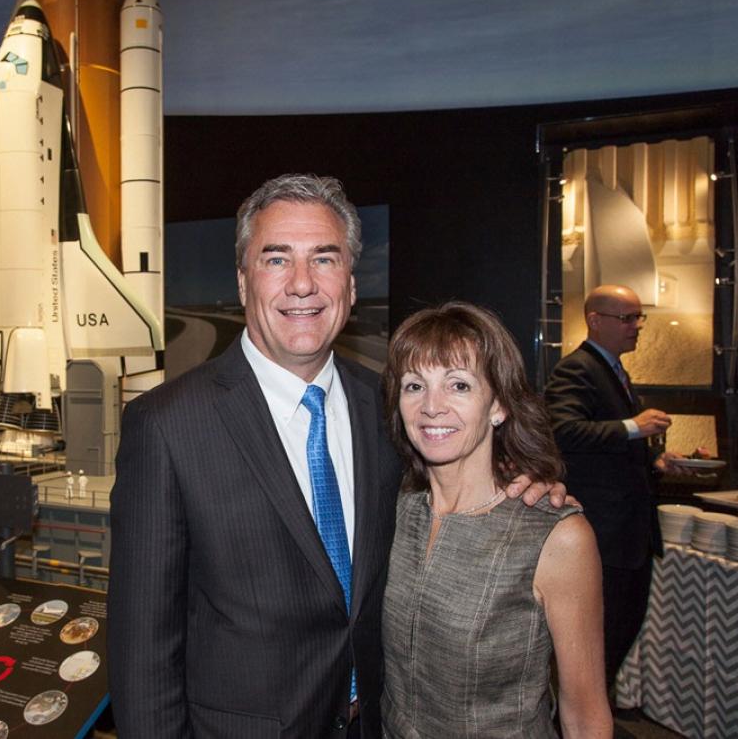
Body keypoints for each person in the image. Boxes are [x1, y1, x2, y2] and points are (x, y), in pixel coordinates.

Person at [108, 173, 566, 737]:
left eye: (324, 259)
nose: (302, 284)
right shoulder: (167, 425)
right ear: (243, 282)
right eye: (276, 259)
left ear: (350, 286)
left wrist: (523, 491)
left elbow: (456, 486)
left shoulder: (392, 409)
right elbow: (141, 650)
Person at [381, 302, 610, 738]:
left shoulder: (555, 536)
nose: (432, 406)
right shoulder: (396, 510)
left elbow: (585, 717)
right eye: (414, 385)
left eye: (459, 386)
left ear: (499, 405)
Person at [544, 284, 696, 688]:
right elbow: (563, 430)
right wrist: (635, 427)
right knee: (600, 641)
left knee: (618, 635)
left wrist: (656, 461)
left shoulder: (613, 370)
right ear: (595, 320)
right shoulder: (577, 368)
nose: (637, 326)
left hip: (629, 534)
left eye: (638, 317)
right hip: (605, 535)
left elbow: (610, 452)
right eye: (627, 318)